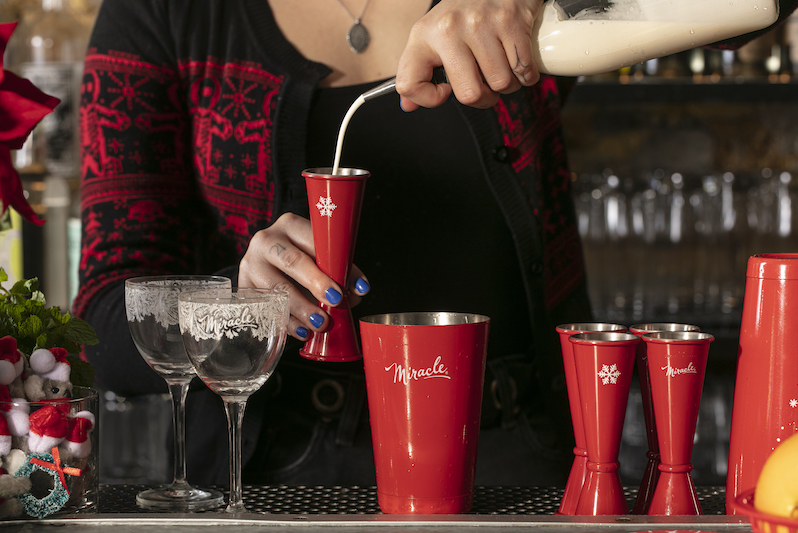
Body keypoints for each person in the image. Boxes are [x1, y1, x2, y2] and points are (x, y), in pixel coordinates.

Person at [76, 0, 608, 487]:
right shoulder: (160, 11)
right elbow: (98, 328)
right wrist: (234, 301)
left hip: (514, 452)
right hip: (269, 471)